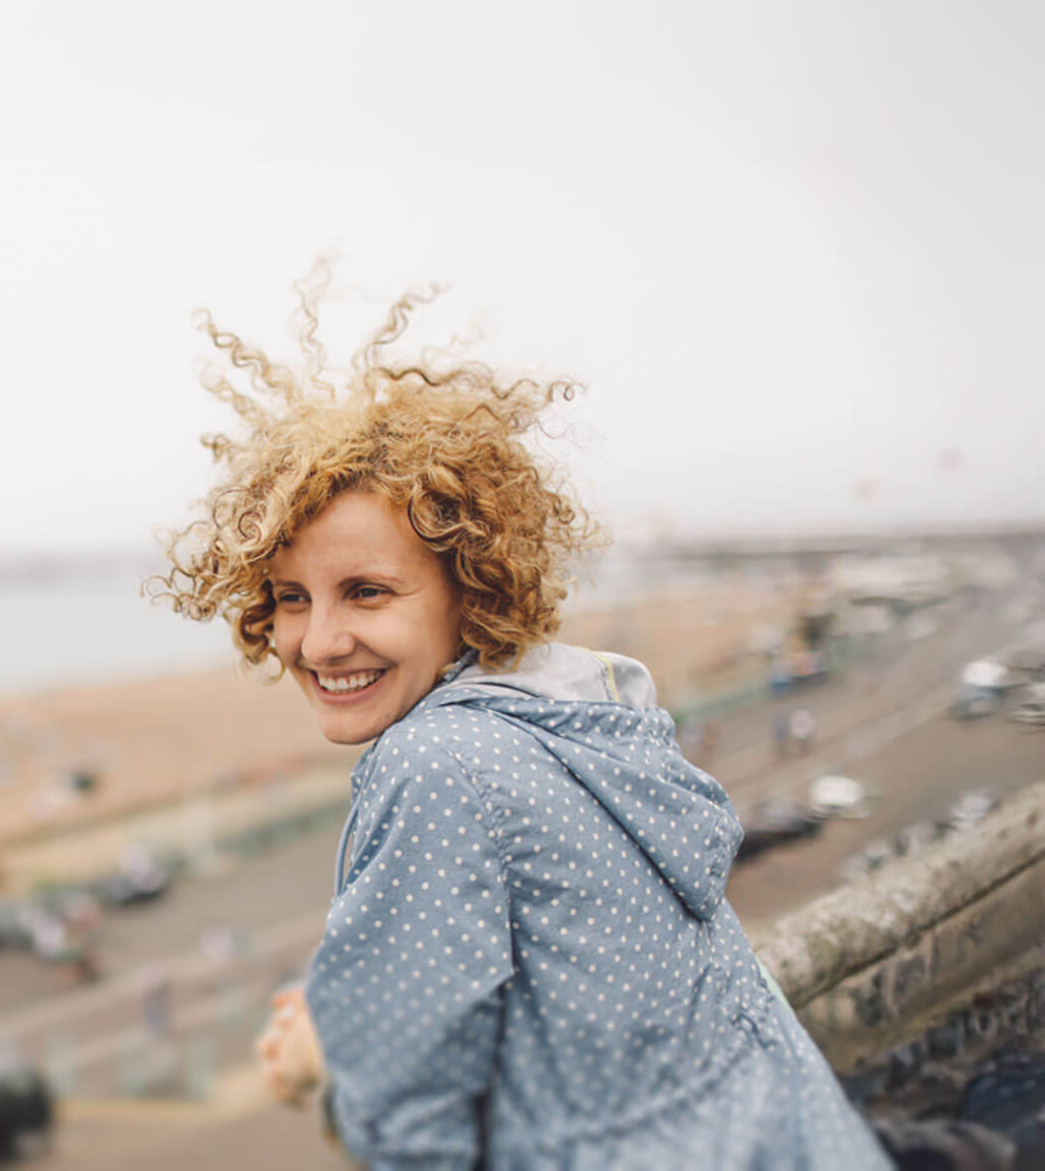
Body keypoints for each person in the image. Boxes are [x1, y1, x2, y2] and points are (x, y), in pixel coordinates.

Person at [150, 281, 890, 1168]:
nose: (319, 641)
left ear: (469, 588)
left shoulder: (436, 764)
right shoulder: (581, 712)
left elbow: (409, 1127)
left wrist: (329, 1064)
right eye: (290, 598)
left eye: (367, 592)